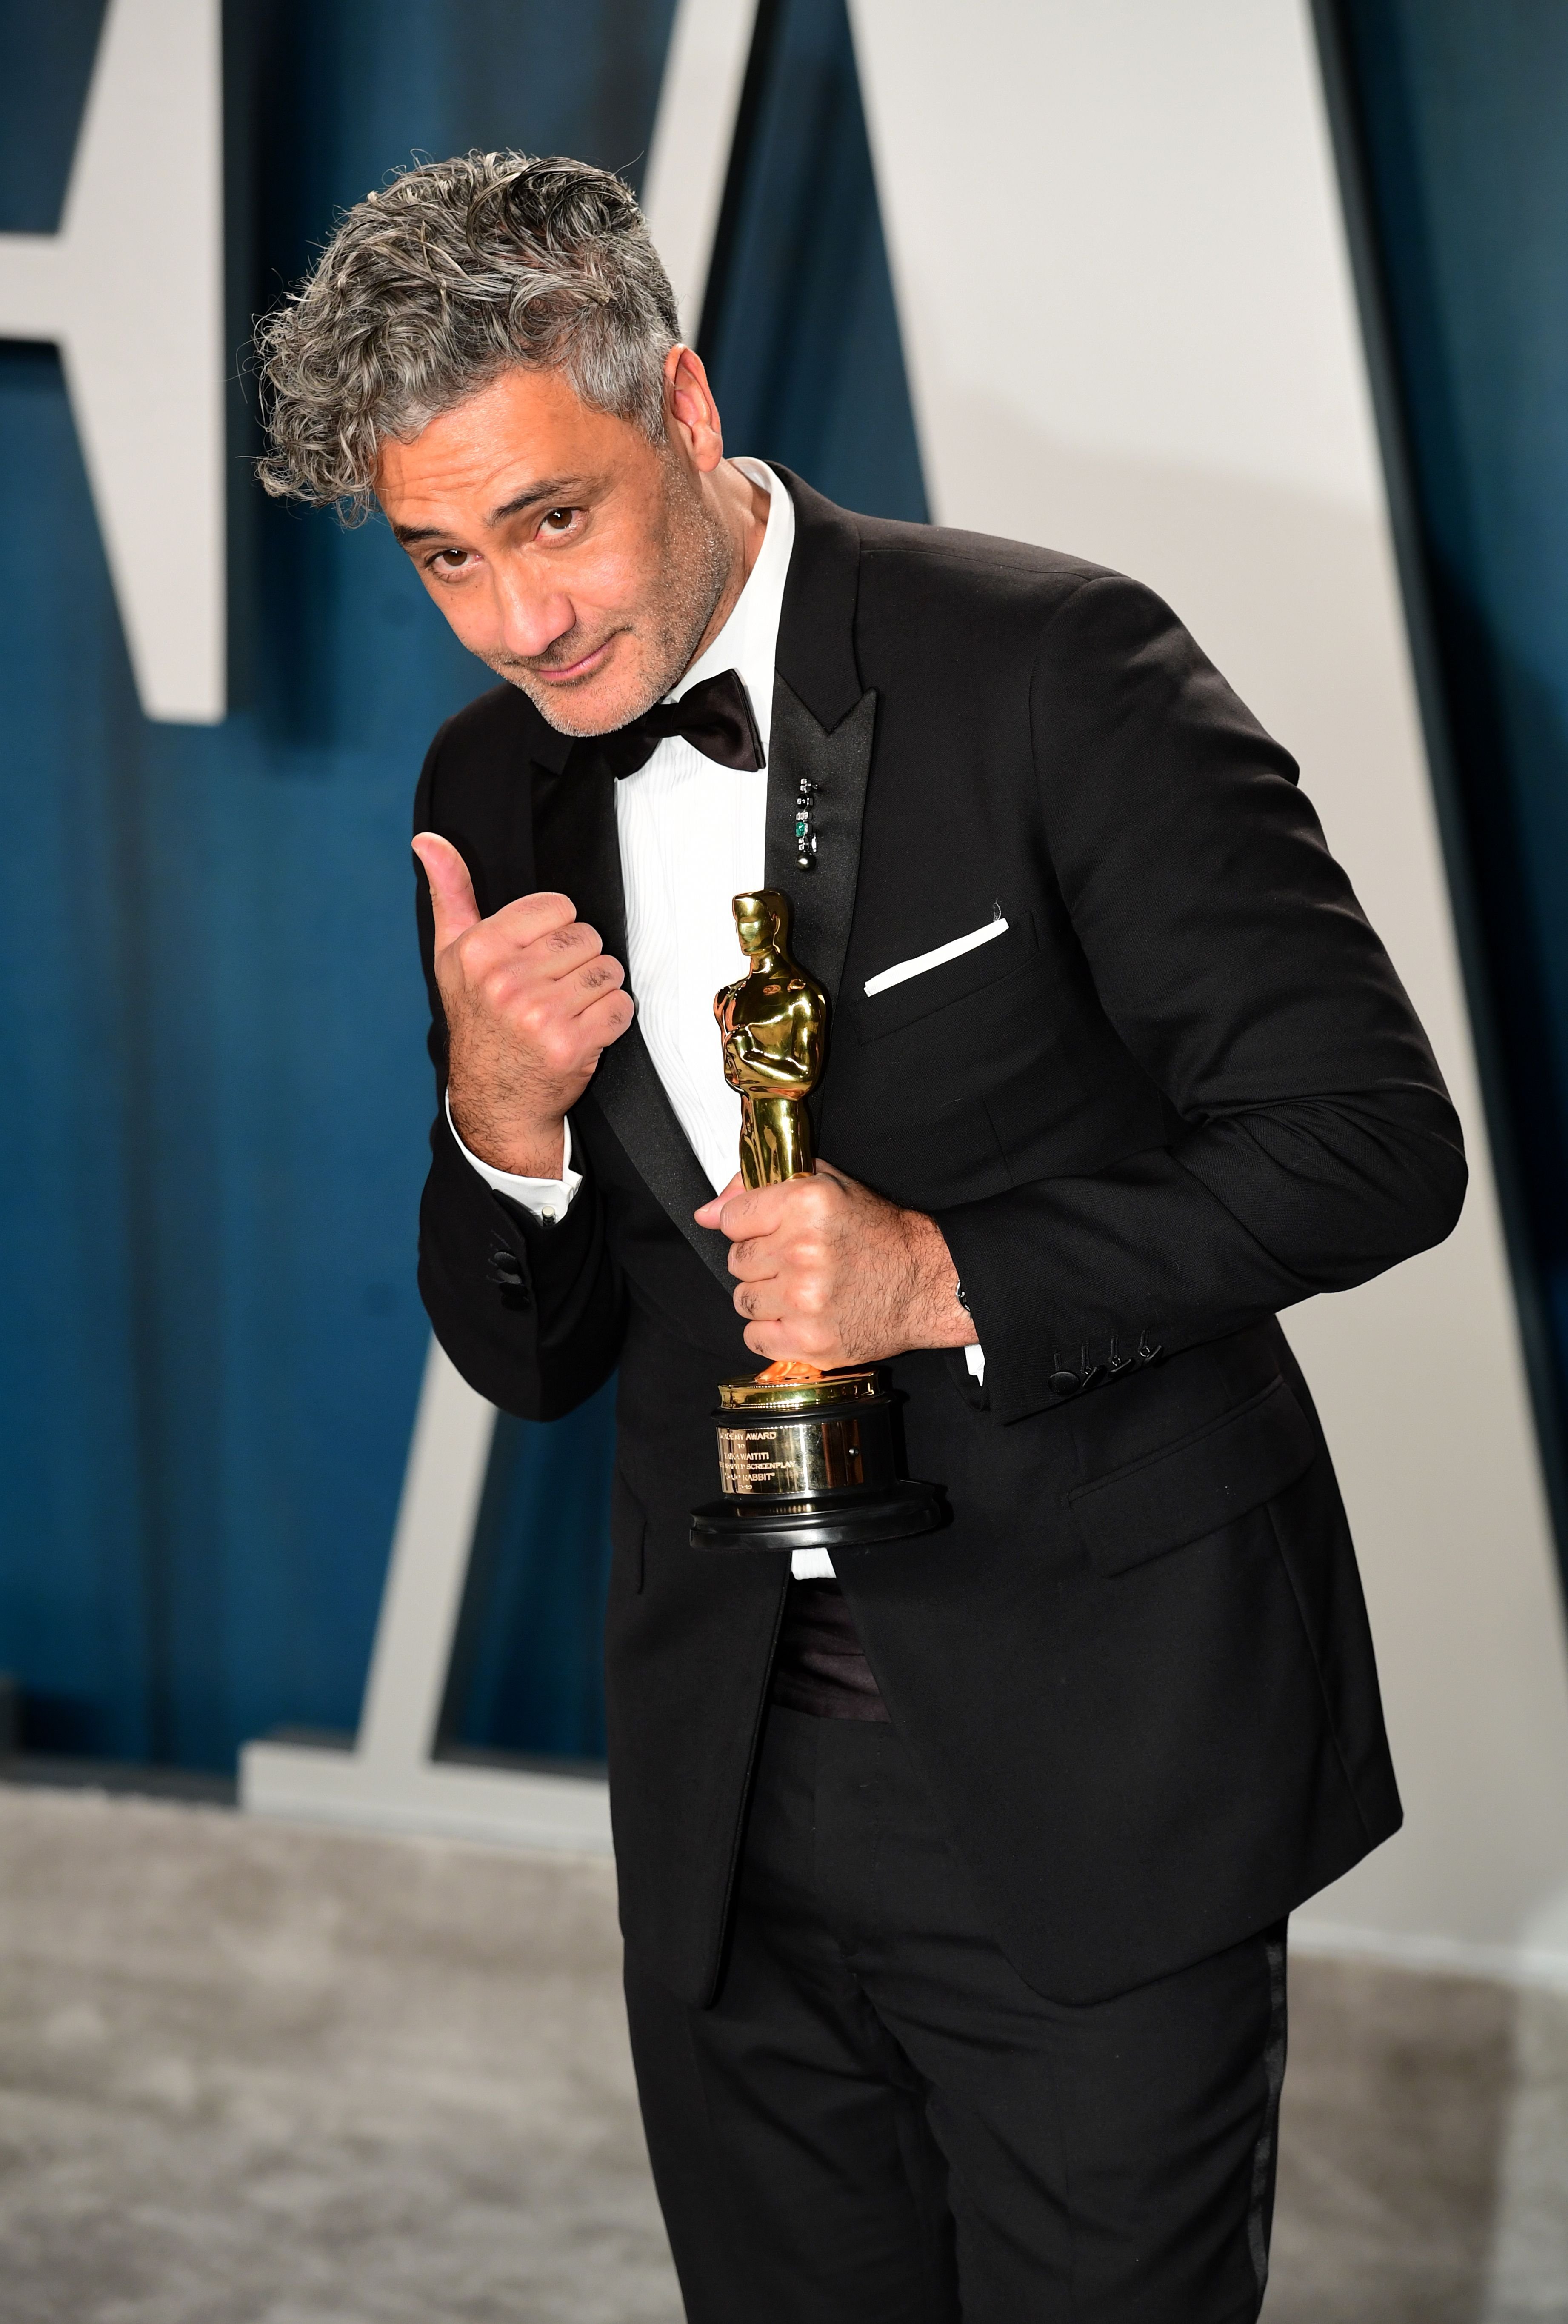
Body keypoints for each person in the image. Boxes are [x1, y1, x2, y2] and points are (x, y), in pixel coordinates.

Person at [255, 151, 1466, 2321]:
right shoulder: (485, 784)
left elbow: (1374, 1144)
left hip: (1099, 1758)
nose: (521, 617)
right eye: (445, 557)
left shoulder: (1053, 666)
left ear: (688, 407)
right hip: (726, 1792)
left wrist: (948, 1278)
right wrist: (495, 1119)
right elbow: (527, 1356)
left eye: (555, 518)